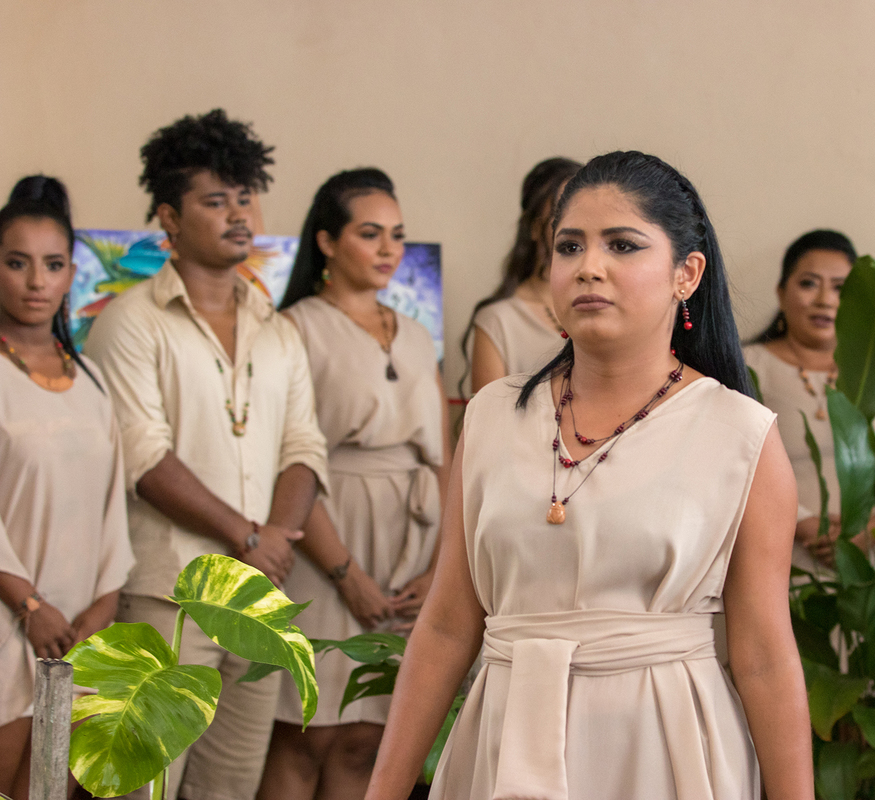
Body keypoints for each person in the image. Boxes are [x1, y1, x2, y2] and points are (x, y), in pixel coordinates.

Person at [364, 151, 814, 800]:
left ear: (686, 273)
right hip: (504, 737)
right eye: (569, 246)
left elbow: (765, 658)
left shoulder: (740, 435)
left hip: (664, 750)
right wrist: (383, 791)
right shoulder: (492, 418)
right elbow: (446, 625)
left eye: (623, 245)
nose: (589, 267)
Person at [86, 109, 329, 800]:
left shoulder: (276, 329)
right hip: (172, 592)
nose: (238, 214)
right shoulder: (130, 320)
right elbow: (145, 458)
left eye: (245, 197)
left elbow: (305, 447)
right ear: (169, 217)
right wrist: (250, 538)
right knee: (145, 785)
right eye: (215, 201)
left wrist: (274, 543)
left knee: (228, 788)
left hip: (257, 598)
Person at [261, 168, 451, 800]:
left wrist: (442, 563)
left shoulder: (420, 335)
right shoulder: (296, 328)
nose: (389, 249)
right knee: (307, 727)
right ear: (326, 241)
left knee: (371, 734)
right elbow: (295, 460)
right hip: (326, 533)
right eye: (370, 234)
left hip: (410, 541)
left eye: (396, 235)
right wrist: (346, 574)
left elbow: (444, 457)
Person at [0, 176, 133, 800]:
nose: (36, 282)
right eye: (17, 263)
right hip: (10, 621)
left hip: (78, 627)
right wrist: (28, 604)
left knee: (50, 792)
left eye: (53, 265)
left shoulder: (93, 379)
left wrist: (105, 602)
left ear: (70, 274)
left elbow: (114, 504)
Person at [742, 229, 875, 579]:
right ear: (781, 291)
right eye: (808, 283)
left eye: (840, 288)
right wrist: (805, 524)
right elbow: (734, 465)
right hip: (781, 565)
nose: (825, 299)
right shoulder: (747, 369)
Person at [462, 157, 580, 394]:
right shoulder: (499, 321)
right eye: (561, 215)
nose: (577, 227)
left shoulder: (609, 303)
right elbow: (487, 426)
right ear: (535, 227)